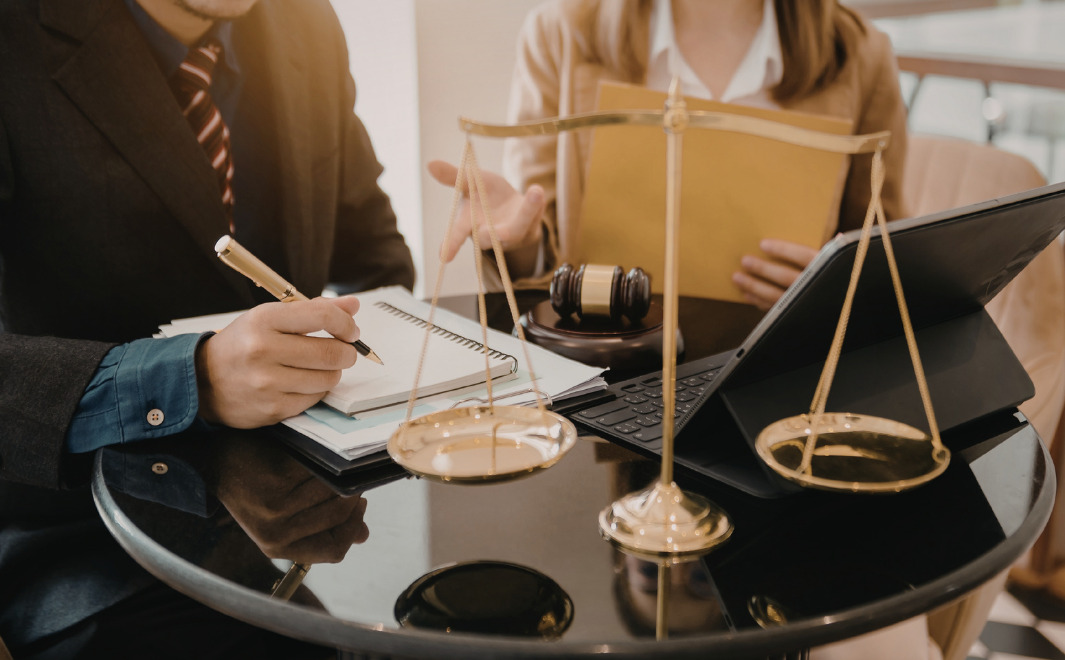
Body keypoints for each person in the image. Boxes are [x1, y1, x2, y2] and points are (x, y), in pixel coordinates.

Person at [0, 0, 415, 655]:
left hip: (304, 517)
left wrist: (507, 253)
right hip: (87, 550)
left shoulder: (305, 23)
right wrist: (188, 377)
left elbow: (375, 257)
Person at [429, 0, 908, 311]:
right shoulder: (560, 35)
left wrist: (829, 290)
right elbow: (544, 268)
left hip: (781, 376)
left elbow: (887, 263)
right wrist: (520, 238)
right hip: (609, 377)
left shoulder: (861, 53)